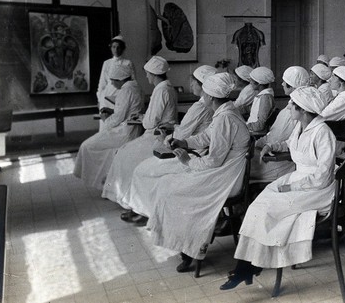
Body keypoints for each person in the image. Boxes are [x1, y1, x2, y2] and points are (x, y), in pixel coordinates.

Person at [220, 86, 335, 290]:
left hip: (317, 189)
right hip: (299, 179)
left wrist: (293, 187)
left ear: (304, 110)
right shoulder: (301, 127)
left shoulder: (323, 133)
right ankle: (248, 266)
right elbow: (290, 144)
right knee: (257, 206)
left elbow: (323, 177)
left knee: (269, 209)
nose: (288, 106)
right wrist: (271, 146)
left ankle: (248, 267)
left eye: (293, 104)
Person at [142, 73, 251, 272]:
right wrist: (185, 142)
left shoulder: (225, 118)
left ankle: (190, 249)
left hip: (227, 176)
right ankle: (185, 245)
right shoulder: (225, 112)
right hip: (224, 170)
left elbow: (214, 160)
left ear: (210, 96)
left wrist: (188, 160)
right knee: (168, 183)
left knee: (173, 191)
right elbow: (207, 137)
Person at [118, 65, 218, 225]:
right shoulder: (208, 105)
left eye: (193, 82)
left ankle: (143, 211)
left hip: (191, 153)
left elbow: (182, 136)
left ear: (202, 86)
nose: (191, 85)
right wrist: (175, 129)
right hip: (197, 149)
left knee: (142, 169)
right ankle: (143, 208)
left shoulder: (200, 107)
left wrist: (167, 136)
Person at [102, 56, 178, 209]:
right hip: (158, 133)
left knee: (125, 155)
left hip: (158, 137)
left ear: (154, 74)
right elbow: (156, 115)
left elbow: (150, 122)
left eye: (148, 74)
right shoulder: (166, 88)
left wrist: (144, 120)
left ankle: (132, 203)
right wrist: (144, 117)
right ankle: (128, 198)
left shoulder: (161, 90)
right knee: (123, 152)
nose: (147, 77)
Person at [74, 64, 144, 190]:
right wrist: (112, 111)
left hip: (124, 132)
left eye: (113, 81)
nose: (112, 84)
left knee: (87, 146)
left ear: (120, 79)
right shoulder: (136, 87)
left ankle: (99, 181)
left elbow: (118, 118)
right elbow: (127, 111)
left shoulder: (125, 91)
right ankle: (106, 182)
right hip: (132, 129)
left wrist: (105, 120)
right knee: (107, 151)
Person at [251, 66, 310, 181]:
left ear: (292, 86)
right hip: (274, 151)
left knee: (239, 163)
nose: (282, 84)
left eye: (285, 82)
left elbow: (278, 138)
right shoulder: (292, 109)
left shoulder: (291, 112)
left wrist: (262, 144)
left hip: (279, 164)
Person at [96, 35, 136, 128]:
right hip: (107, 97)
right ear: (111, 48)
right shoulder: (107, 63)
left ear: (123, 48)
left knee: (119, 123)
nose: (116, 50)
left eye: (119, 47)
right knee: (105, 125)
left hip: (121, 96)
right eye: (114, 47)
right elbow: (102, 82)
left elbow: (133, 81)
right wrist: (99, 99)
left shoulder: (128, 63)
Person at [246, 66, 276, 132]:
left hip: (255, 134)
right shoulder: (262, 96)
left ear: (258, 83)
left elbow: (260, 126)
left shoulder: (265, 98)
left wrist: (243, 126)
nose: (250, 82)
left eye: (251, 80)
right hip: (251, 130)